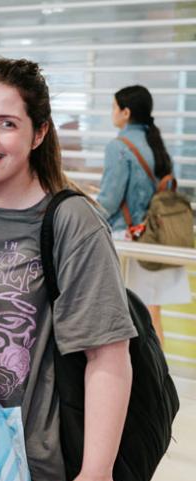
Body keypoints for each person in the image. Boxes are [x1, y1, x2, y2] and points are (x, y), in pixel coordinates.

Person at [0, 58, 136, 481]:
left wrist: (96, 474)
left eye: (6, 123)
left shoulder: (71, 222)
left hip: (23, 465)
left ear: (39, 133)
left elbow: (107, 356)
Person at [96, 85, 191, 342]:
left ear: (125, 112)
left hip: (129, 242)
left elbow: (110, 200)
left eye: (114, 107)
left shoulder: (119, 147)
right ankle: (158, 378)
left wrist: (86, 216)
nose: (112, 113)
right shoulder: (156, 143)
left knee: (124, 317)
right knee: (151, 314)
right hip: (154, 239)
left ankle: (134, 379)